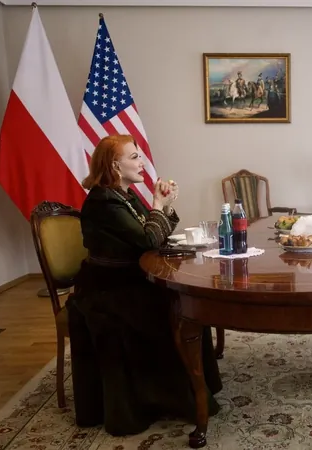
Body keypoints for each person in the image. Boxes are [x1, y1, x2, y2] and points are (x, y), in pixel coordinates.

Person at [66, 134, 222, 436]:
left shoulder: (123, 195)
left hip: (129, 279)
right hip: (107, 291)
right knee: (177, 311)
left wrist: (164, 208)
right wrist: (158, 204)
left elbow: (153, 235)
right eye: (135, 157)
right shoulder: (102, 201)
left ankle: (194, 388)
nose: (142, 162)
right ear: (115, 165)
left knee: (186, 304)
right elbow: (149, 240)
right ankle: (167, 398)